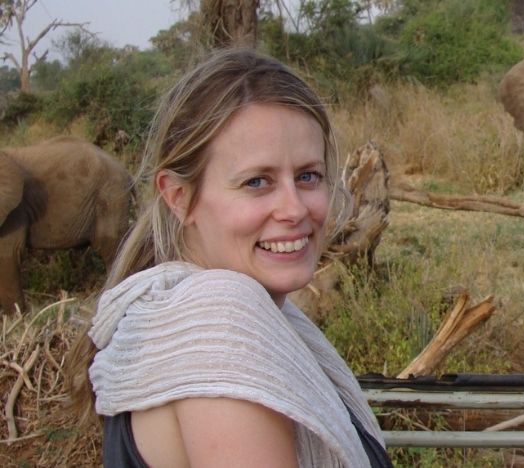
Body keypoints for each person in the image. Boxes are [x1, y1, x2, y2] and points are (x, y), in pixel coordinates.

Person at [67, 47, 391, 468]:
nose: (295, 209)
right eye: (257, 181)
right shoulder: (217, 329)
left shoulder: (187, 316)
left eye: (308, 176)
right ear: (180, 198)